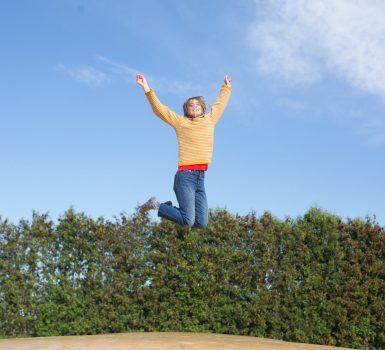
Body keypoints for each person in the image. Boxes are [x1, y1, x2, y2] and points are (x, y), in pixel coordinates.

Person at [136, 73, 232, 228]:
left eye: (197, 105)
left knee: (201, 223)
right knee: (187, 221)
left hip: (201, 178)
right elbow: (160, 110)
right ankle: (157, 205)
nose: (194, 107)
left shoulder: (210, 120)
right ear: (186, 109)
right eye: (190, 105)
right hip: (185, 176)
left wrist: (226, 88)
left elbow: (220, 104)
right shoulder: (181, 122)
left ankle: (166, 208)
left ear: (202, 108)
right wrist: (146, 88)